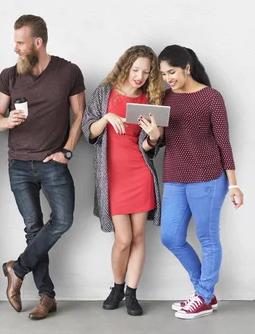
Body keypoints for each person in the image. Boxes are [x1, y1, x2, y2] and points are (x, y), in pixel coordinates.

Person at [0, 14, 85, 320]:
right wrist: (6, 122)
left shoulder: (68, 72)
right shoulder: (9, 75)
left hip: (52, 162)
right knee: (33, 227)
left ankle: (16, 270)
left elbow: (79, 114)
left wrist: (67, 151)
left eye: (20, 42)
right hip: (18, 164)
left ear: (37, 42)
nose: (15, 48)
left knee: (63, 219)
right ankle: (47, 297)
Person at [157, 45, 243, 320]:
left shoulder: (211, 98)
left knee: (208, 238)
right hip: (174, 177)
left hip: (207, 177)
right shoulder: (165, 99)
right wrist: (152, 134)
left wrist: (233, 184)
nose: (167, 78)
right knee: (170, 237)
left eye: (171, 72)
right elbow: (162, 140)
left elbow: (223, 142)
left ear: (187, 68)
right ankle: (203, 291)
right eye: (163, 74)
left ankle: (204, 296)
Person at [81, 45, 165, 316]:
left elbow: (151, 147)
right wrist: (106, 118)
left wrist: (153, 136)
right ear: (126, 66)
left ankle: (131, 292)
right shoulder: (105, 93)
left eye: (146, 72)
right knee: (123, 239)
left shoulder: (150, 99)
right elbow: (88, 131)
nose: (139, 76)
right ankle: (116, 287)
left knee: (139, 236)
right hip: (112, 176)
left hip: (140, 173)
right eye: (136, 69)